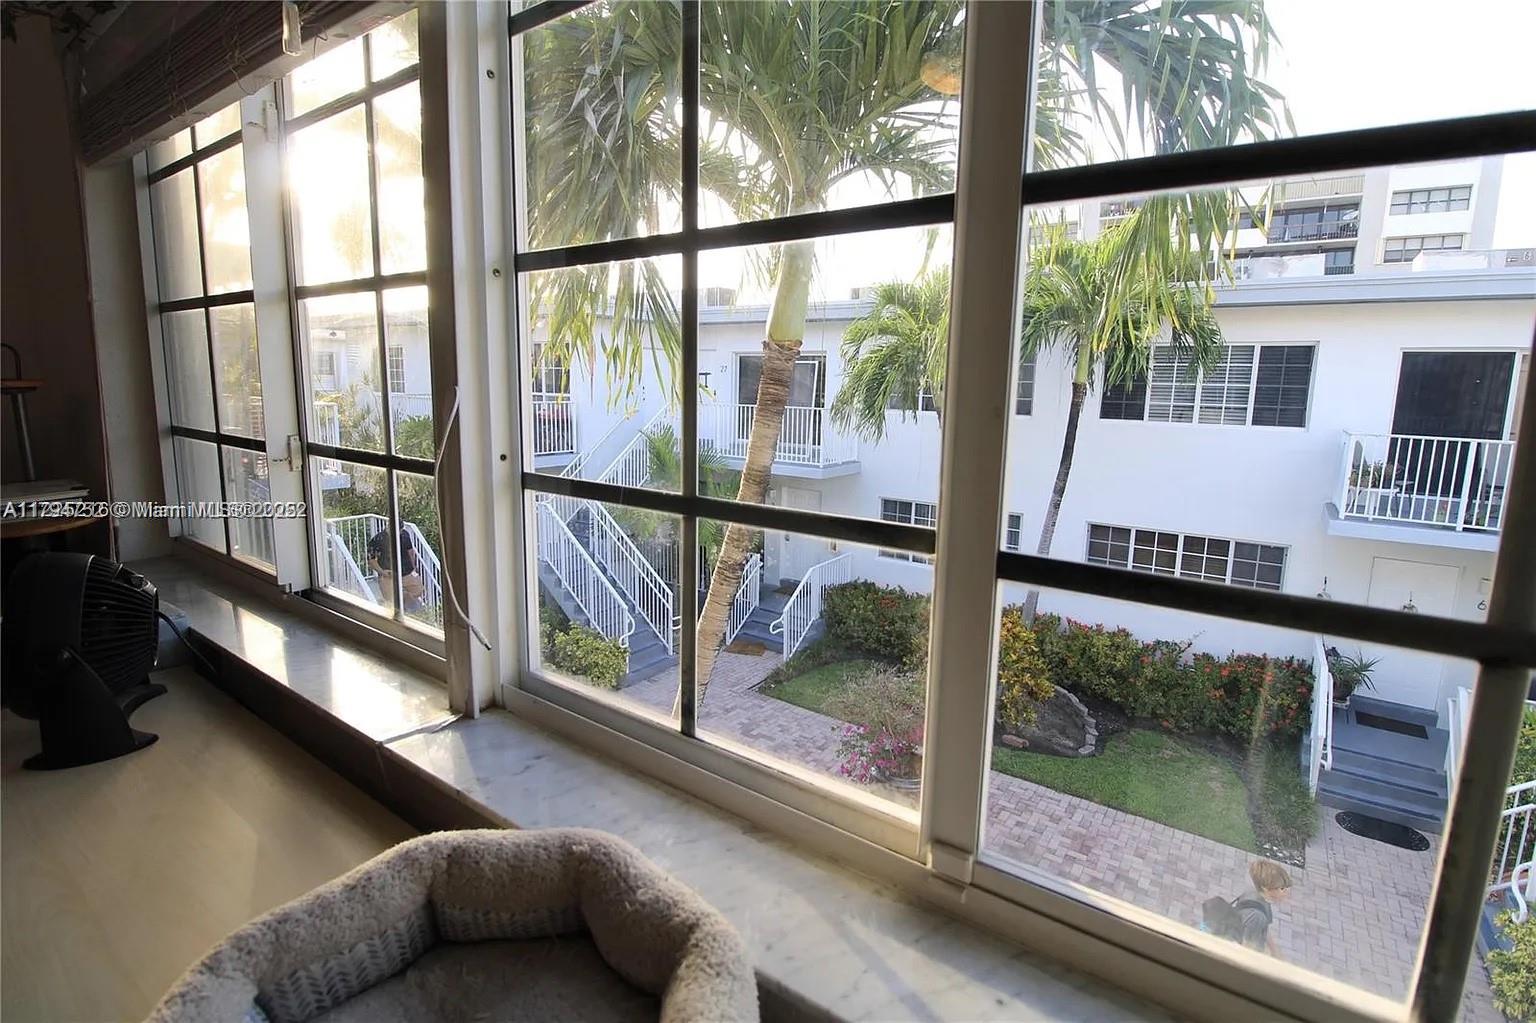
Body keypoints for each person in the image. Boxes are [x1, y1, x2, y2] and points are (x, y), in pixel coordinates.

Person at [1201, 859, 1292, 957]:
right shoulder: (1257, 917)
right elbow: (1247, 949)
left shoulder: (1254, 895)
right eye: (1282, 889)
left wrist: (1275, 951)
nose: (1287, 893)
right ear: (1266, 888)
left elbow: (1265, 929)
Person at [366, 527, 426, 612]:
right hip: (388, 574)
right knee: (390, 600)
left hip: (406, 571)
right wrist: (382, 572)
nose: (400, 533)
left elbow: (411, 552)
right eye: (399, 531)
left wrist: (414, 568)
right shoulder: (377, 539)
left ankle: (404, 603)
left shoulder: (405, 535)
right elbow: (371, 560)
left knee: (419, 590)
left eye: (401, 530)